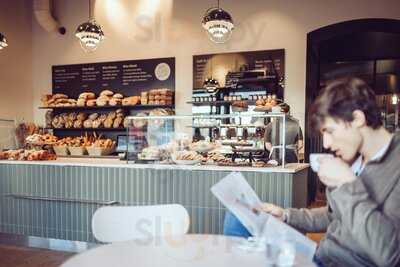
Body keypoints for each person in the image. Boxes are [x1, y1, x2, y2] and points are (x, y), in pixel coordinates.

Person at [223, 77, 400, 267]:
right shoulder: (357, 158)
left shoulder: (394, 165)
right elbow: (333, 216)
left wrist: (347, 185)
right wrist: (285, 215)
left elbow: (390, 255)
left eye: (330, 131)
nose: (326, 144)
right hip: (320, 255)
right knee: (238, 214)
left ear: (357, 119)